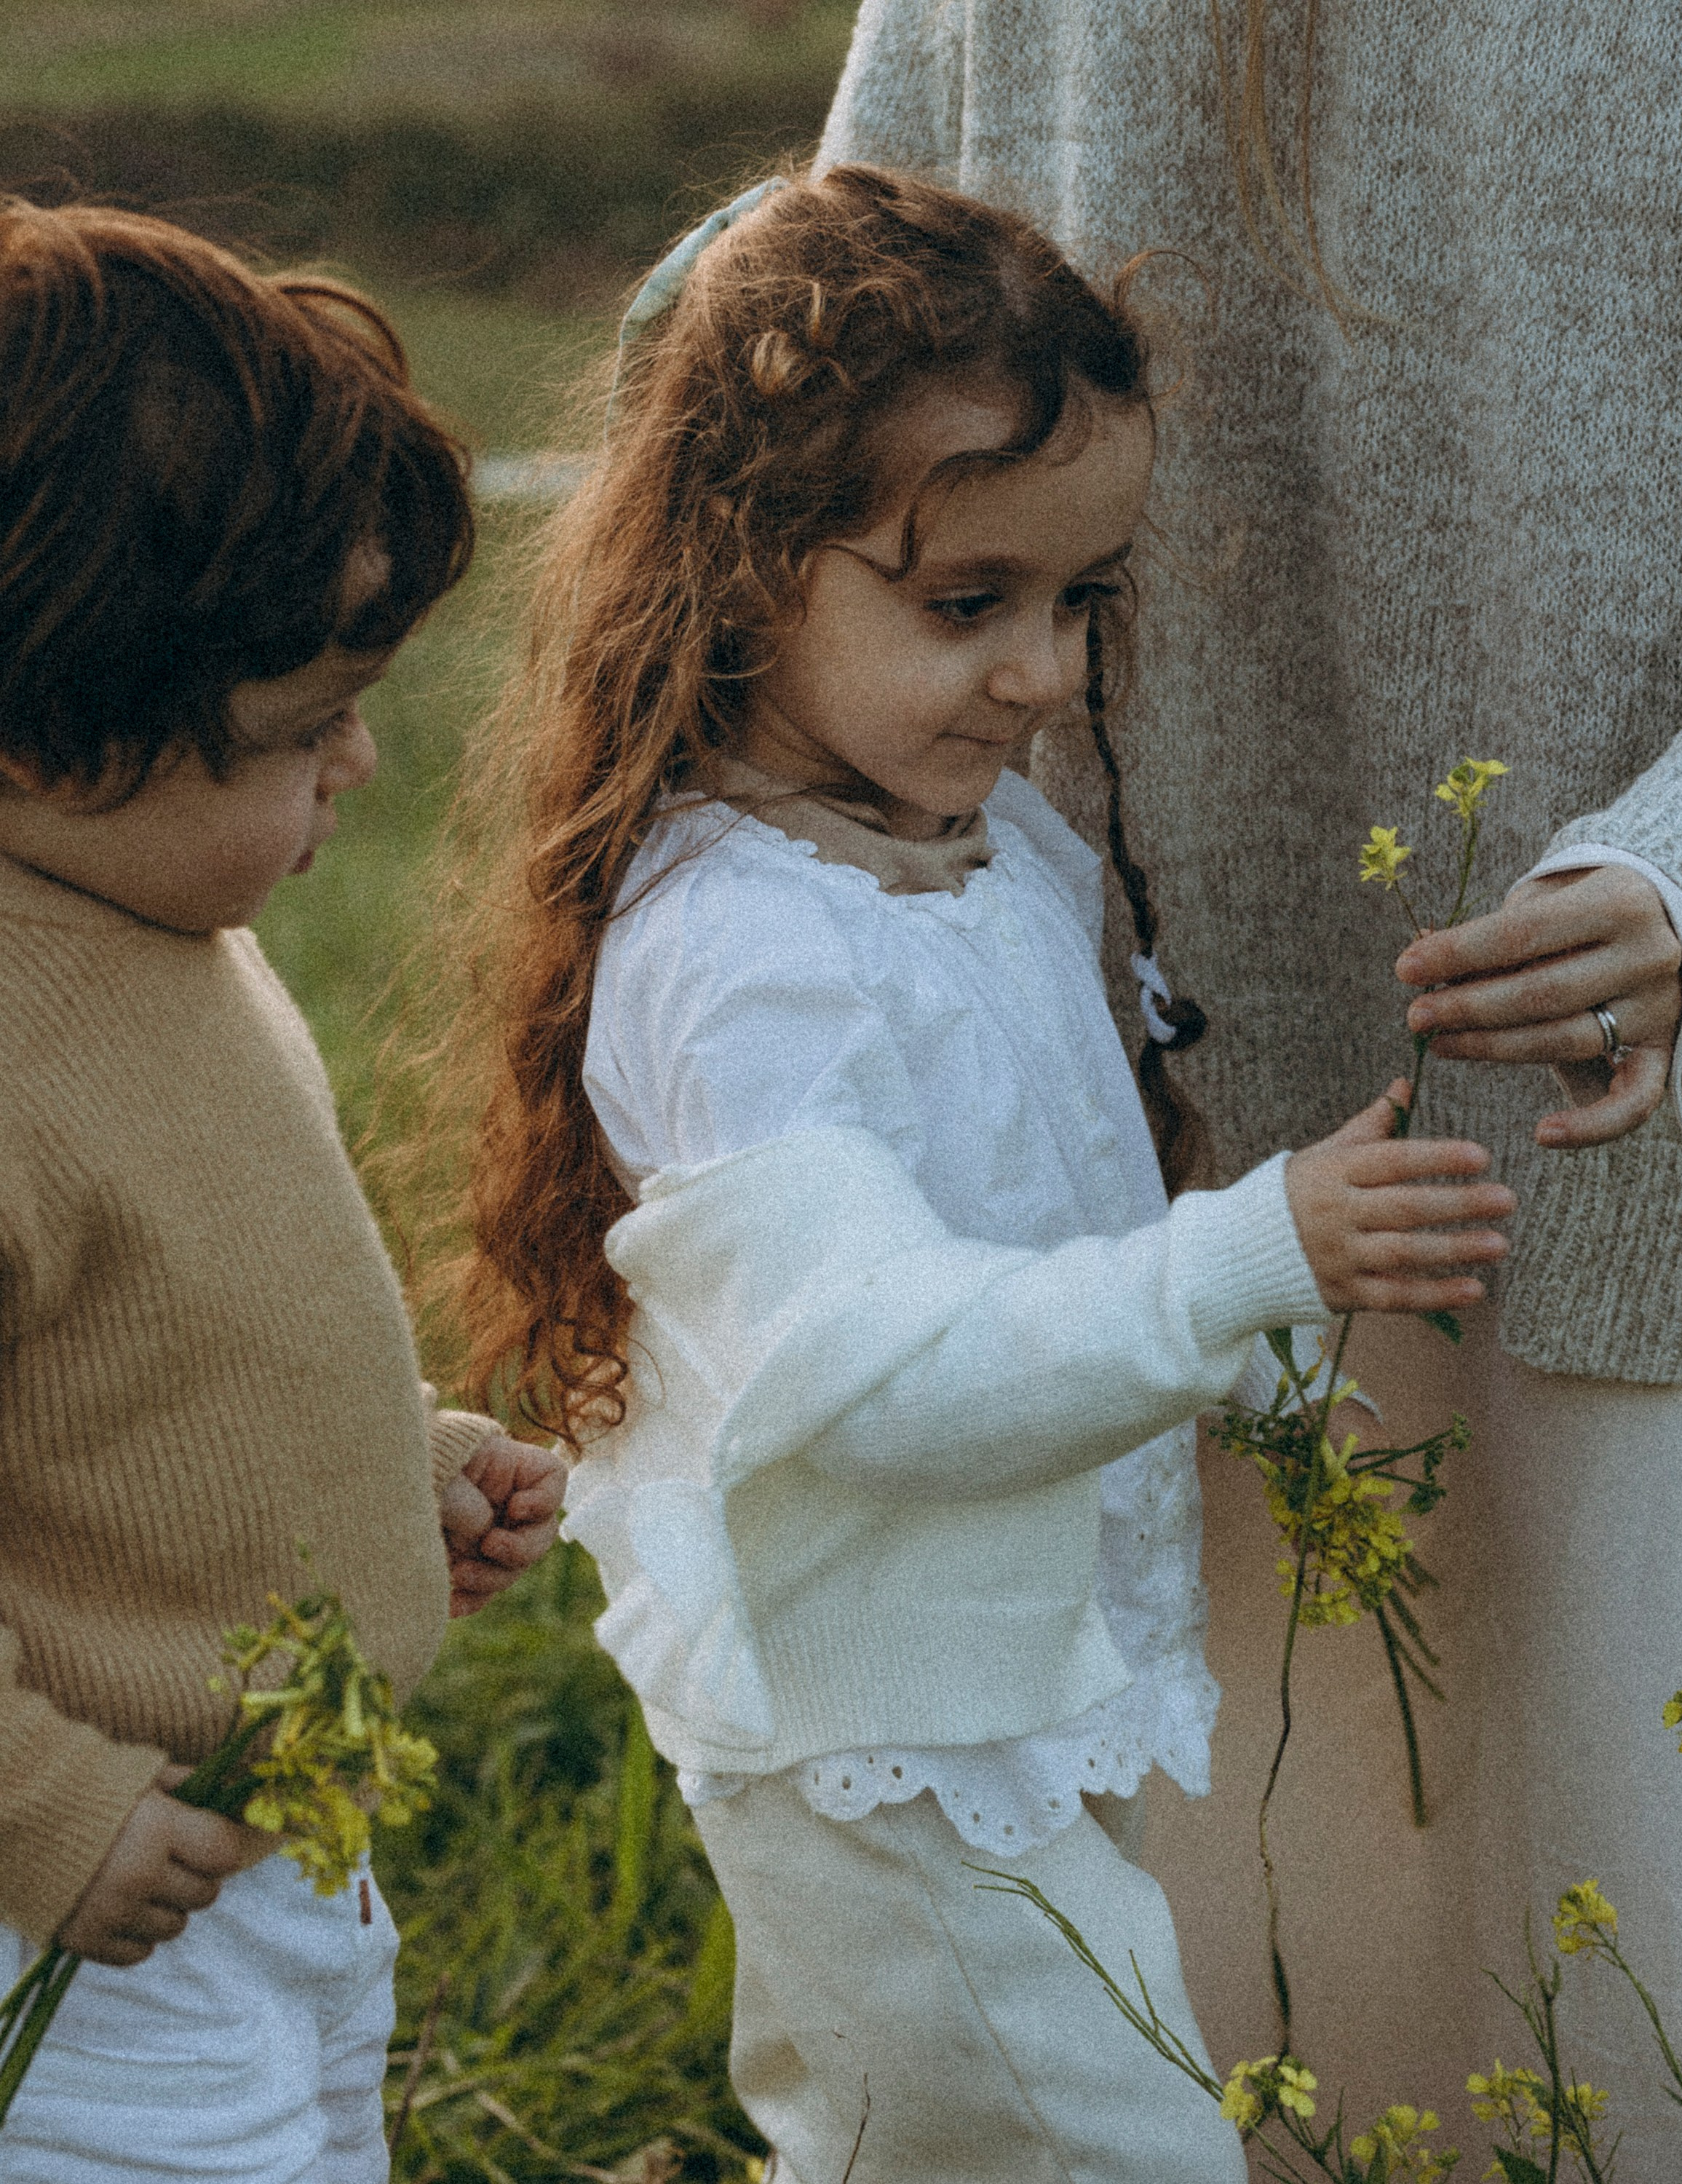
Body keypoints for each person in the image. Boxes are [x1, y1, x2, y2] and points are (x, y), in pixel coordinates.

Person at [442, 164, 1517, 2184]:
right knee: (1111, 2156)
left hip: (1002, 1689)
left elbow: (1051, 1202)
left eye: (1076, 599)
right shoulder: (745, 954)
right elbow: (879, 1369)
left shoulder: (996, 850)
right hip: (877, 1744)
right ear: (745, 565)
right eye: (967, 606)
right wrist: (1244, 1265)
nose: (1040, 675)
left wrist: (1268, 1361)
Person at [815, 7, 1682, 2172]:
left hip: (1609, 1130)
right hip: (1100, 1131)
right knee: (1197, 2007)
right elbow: (815, 308)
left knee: (1622, 1983)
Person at [0, 199, 566, 2183]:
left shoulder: (145, 923)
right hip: (87, 1921)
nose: (361, 764)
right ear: (56, 739)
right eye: (298, 728)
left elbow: (142, 1355)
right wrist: (42, 1811)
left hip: (279, 1863)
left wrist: (378, 1463)